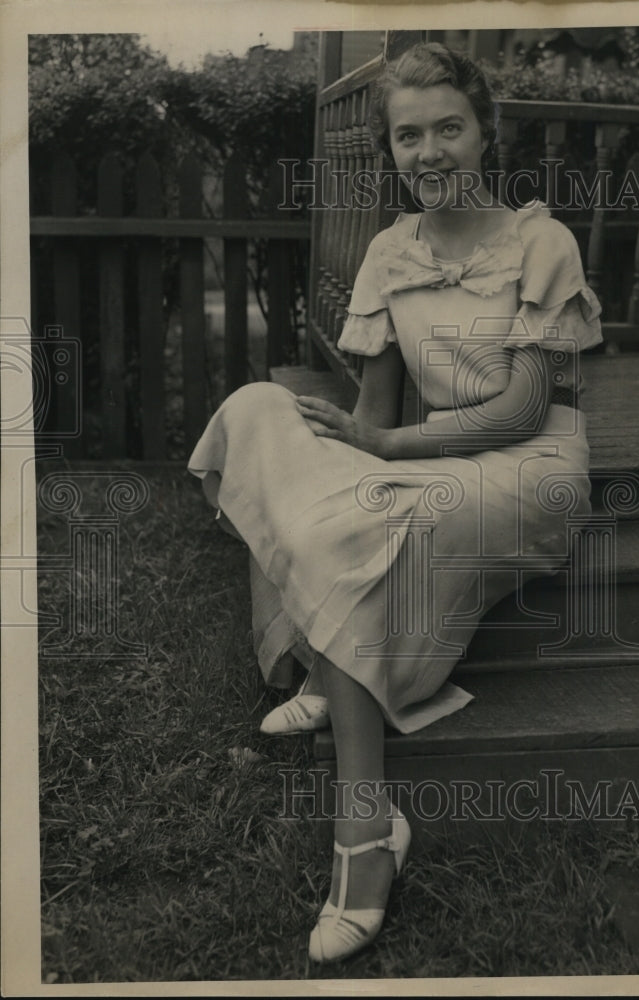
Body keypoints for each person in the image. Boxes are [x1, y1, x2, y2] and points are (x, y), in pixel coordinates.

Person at [188, 41, 602, 964]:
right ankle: (341, 669)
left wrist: (381, 450)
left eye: (448, 128)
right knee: (258, 412)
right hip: (426, 456)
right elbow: (371, 416)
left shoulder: (541, 240)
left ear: (485, 132)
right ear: (391, 149)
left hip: (530, 468)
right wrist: (344, 441)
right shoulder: (384, 251)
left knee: (358, 515)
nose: (430, 153)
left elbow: (525, 409)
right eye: (409, 136)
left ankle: (366, 832)